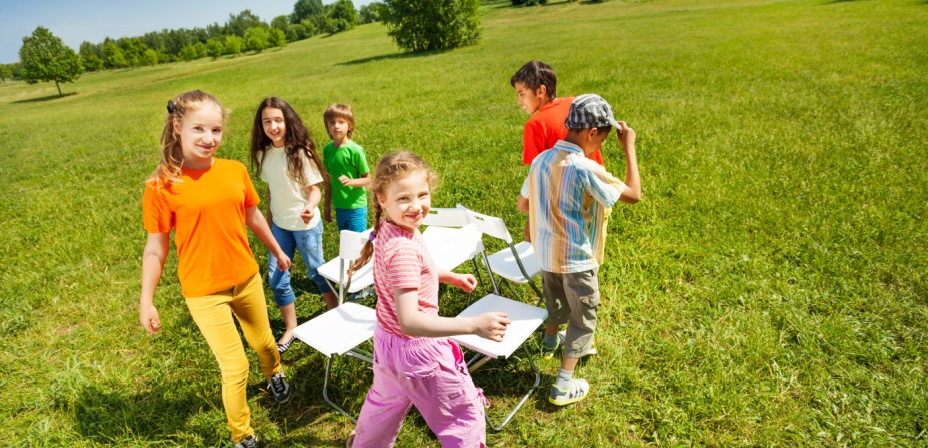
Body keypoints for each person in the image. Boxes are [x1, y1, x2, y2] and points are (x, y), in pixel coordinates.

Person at [139, 90, 293, 448]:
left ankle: (274, 375)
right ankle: (243, 435)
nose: (209, 139)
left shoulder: (234, 171)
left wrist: (277, 252)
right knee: (235, 366)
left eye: (216, 130)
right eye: (199, 129)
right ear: (177, 126)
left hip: (246, 278)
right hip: (204, 292)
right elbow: (154, 248)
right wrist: (146, 300)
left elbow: (253, 216)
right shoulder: (161, 185)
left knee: (265, 344)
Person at [346, 151, 512, 448]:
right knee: (462, 416)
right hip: (419, 353)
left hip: (386, 343)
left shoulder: (389, 228)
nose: (416, 206)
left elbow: (409, 274)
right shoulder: (403, 249)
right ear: (382, 198)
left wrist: (447, 276)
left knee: (384, 405)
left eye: (422, 194)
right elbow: (410, 322)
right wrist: (473, 325)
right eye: (404, 198)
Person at [517, 94, 640, 407]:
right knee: (583, 319)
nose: (601, 145)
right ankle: (562, 385)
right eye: (604, 139)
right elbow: (633, 195)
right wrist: (629, 149)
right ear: (591, 133)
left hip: (546, 255)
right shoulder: (585, 168)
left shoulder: (542, 160)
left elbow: (522, 204)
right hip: (577, 260)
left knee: (555, 302)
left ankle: (549, 343)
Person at [250, 97, 339, 354]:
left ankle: (334, 311)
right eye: (267, 121)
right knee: (277, 278)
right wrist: (268, 222)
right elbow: (271, 191)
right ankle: (291, 327)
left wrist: (311, 206)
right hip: (280, 227)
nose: (273, 126)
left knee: (316, 271)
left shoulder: (300, 152)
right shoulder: (264, 153)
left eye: (278, 120)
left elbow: (315, 191)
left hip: (305, 226)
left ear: (287, 121)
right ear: (261, 125)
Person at [510, 60, 604, 166]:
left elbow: (537, 172)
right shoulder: (575, 103)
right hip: (597, 176)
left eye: (522, 94)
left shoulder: (535, 125)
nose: (519, 100)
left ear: (541, 91)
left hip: (567, 181)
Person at [322, 103, 371, 233]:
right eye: (332, 122)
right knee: (345, 244)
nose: (336, 126)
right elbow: (328, 182)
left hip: (356, 207)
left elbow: (367, 179)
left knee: (357, 244)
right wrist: (327, 206)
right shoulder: (327, 150)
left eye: (341, 122)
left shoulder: (355, 150)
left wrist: (351, 181)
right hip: (339, 207)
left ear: (350, 125)